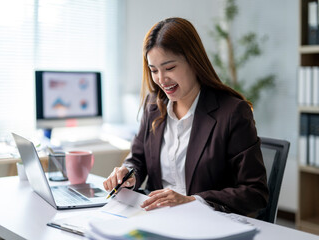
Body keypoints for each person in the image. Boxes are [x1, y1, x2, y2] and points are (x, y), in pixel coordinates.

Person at [103, 17, 268, 216]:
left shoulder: (232, 112)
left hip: (206, 222)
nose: (162, 80)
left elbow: (255, 192)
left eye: (170, 68)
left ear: (193, 61)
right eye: (154, 70)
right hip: (156, 219)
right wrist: (127, 175)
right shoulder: (154, 105)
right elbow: (137, 160)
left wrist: (192, 201)